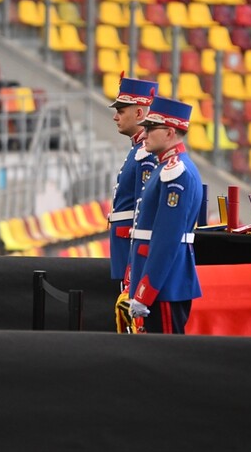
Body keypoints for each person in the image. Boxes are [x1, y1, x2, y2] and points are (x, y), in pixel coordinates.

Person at [126, 96, 202, 334]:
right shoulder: (163, 167)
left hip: (164, 284)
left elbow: (166, 239)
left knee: (166, 351)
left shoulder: (176, 172)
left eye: (151, 128)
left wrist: (145, 292)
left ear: (170, 132)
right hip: (158, 282)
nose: (144, 133)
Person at [107, 76, 158, 332]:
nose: (115, 116)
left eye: (121, 110)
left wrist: (133, 266)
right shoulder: (137, 150)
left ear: (139, 113)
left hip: (130, 250)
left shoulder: (145, 154)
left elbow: (141, 214)